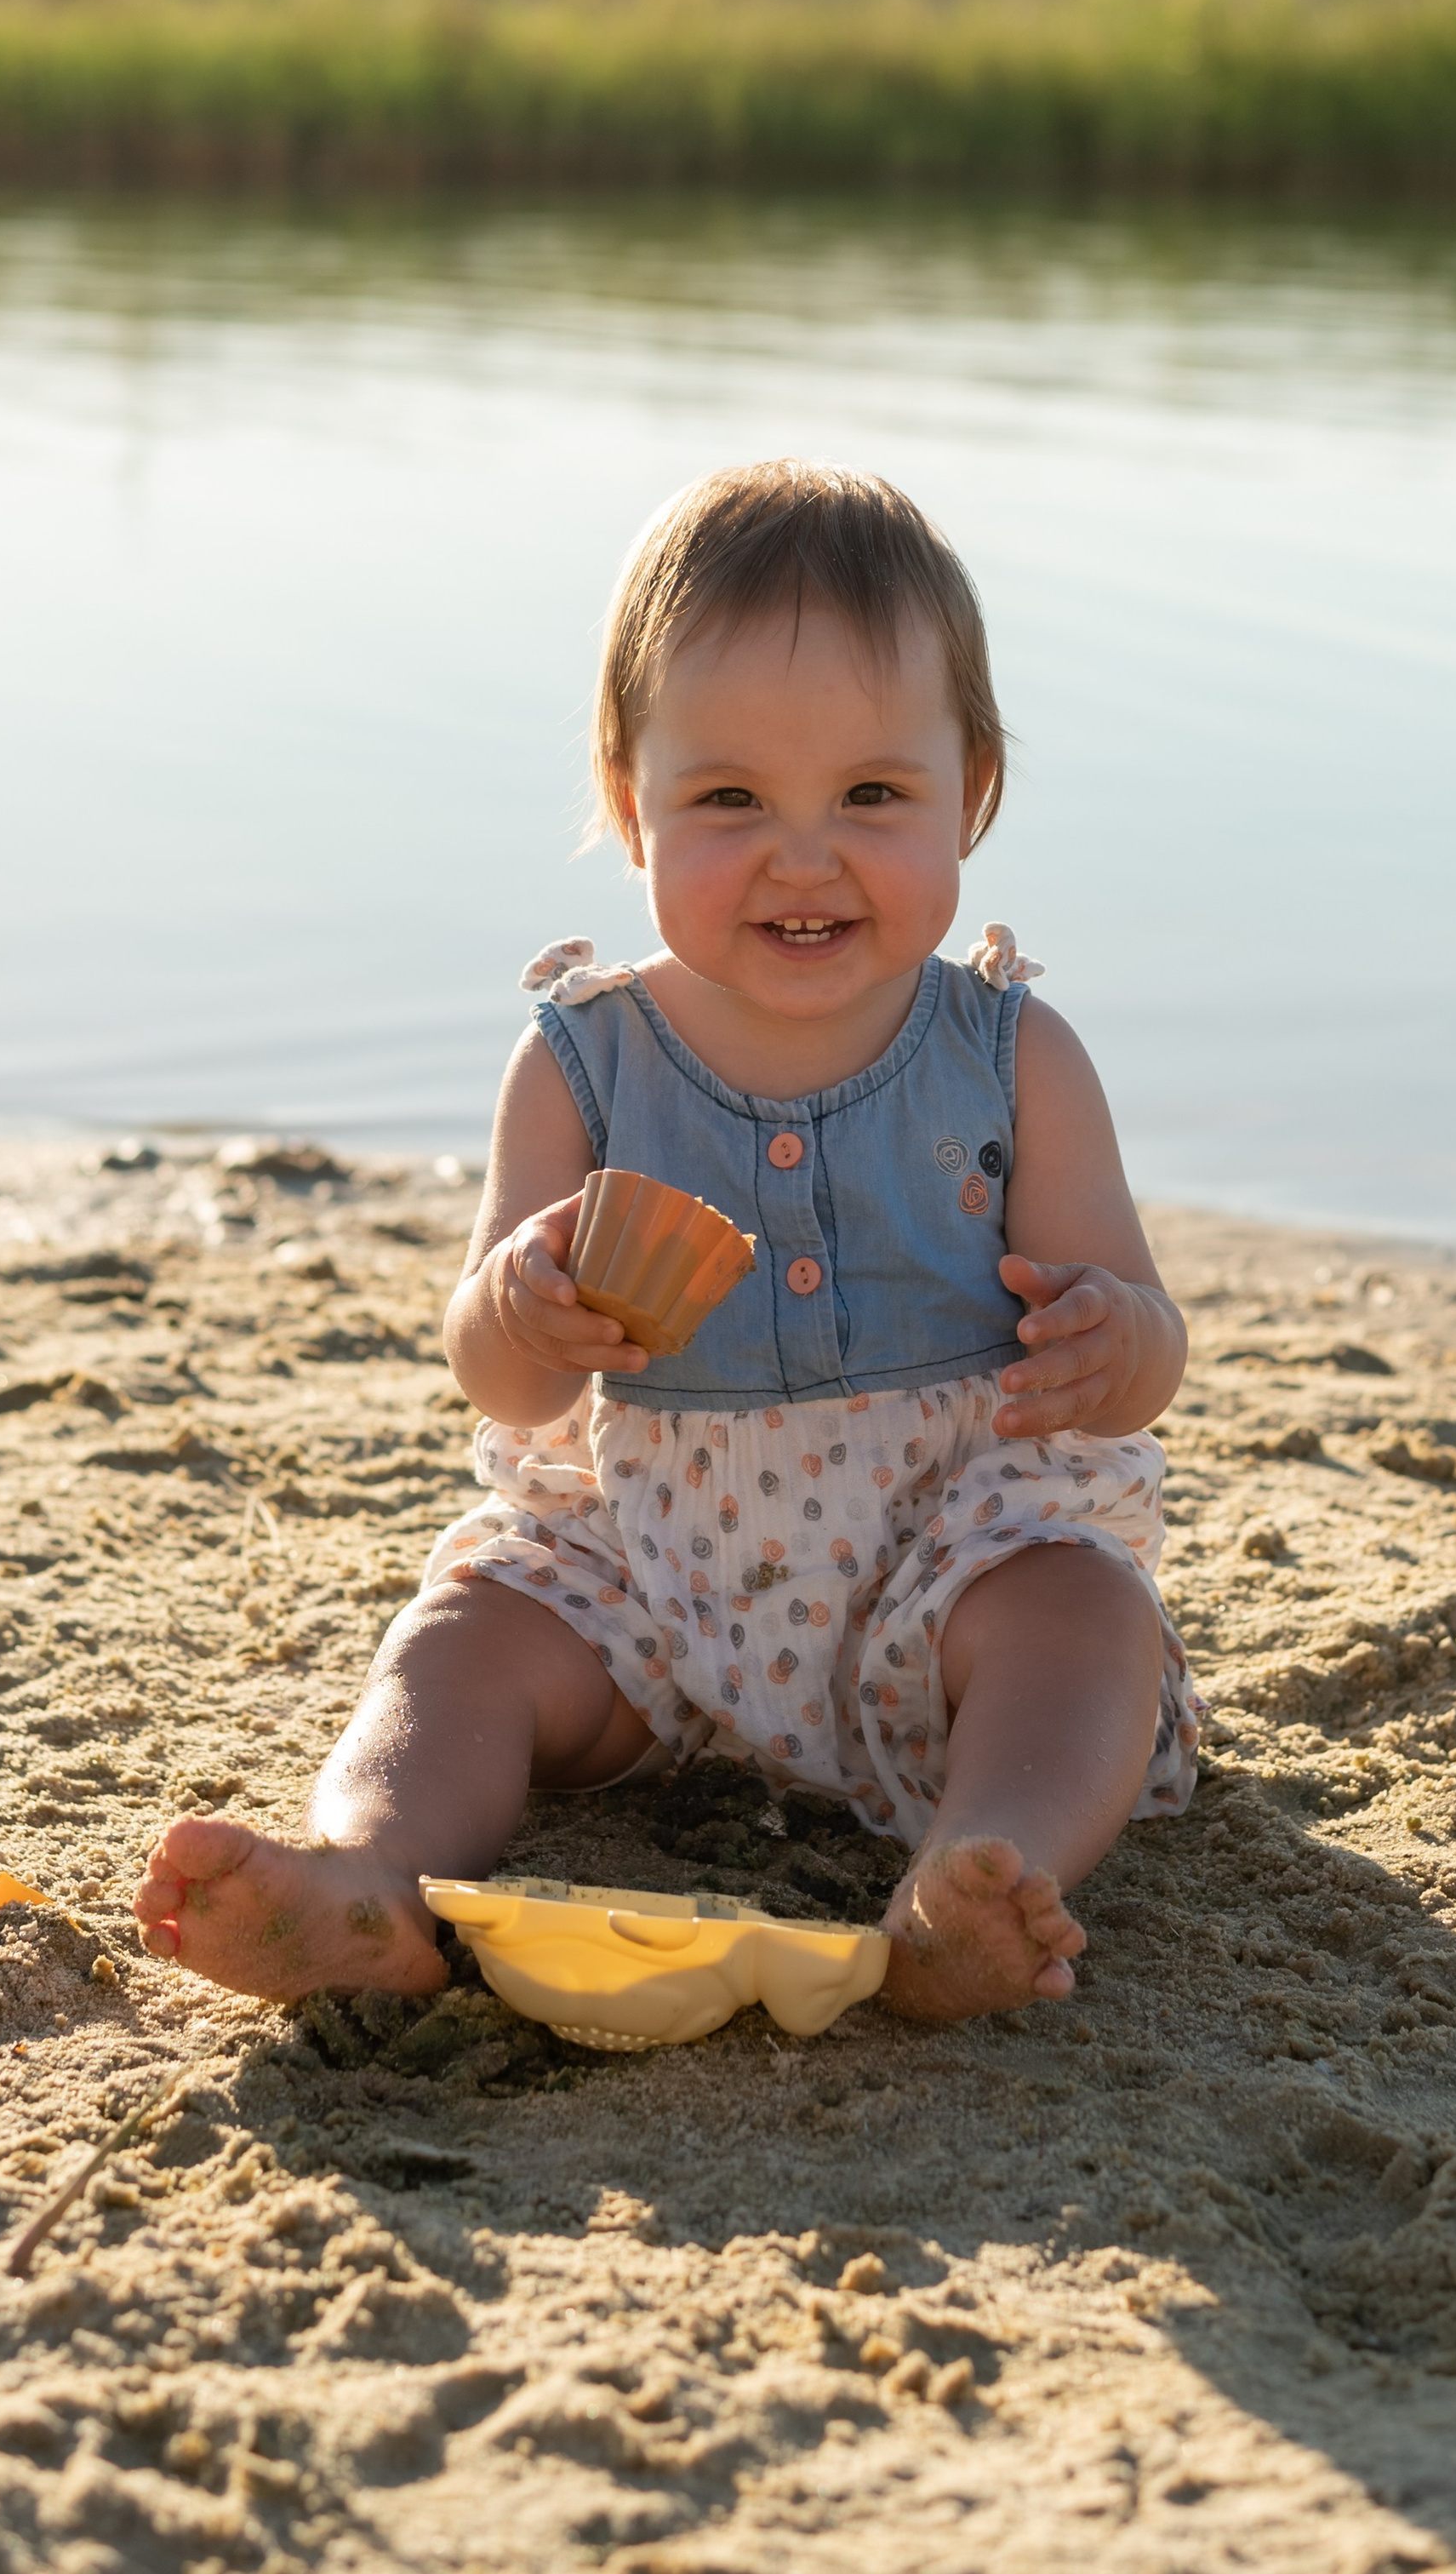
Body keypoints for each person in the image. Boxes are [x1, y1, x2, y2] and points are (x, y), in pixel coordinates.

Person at [134, 460, 1197, 2020]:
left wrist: (1110, 1339)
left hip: (946, 1554)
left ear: (971, 790)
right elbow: (495, 1378)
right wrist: (525, 1306)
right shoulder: (587, 1060)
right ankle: (366, 1873)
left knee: (1085, 1624)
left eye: (874, 797)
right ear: (631, 801)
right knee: (461, 1643)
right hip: (647, 1564)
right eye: (729, 800)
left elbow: (1148, 1348)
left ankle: (975, 1873)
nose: (804, 854)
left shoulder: (1013, 1055)